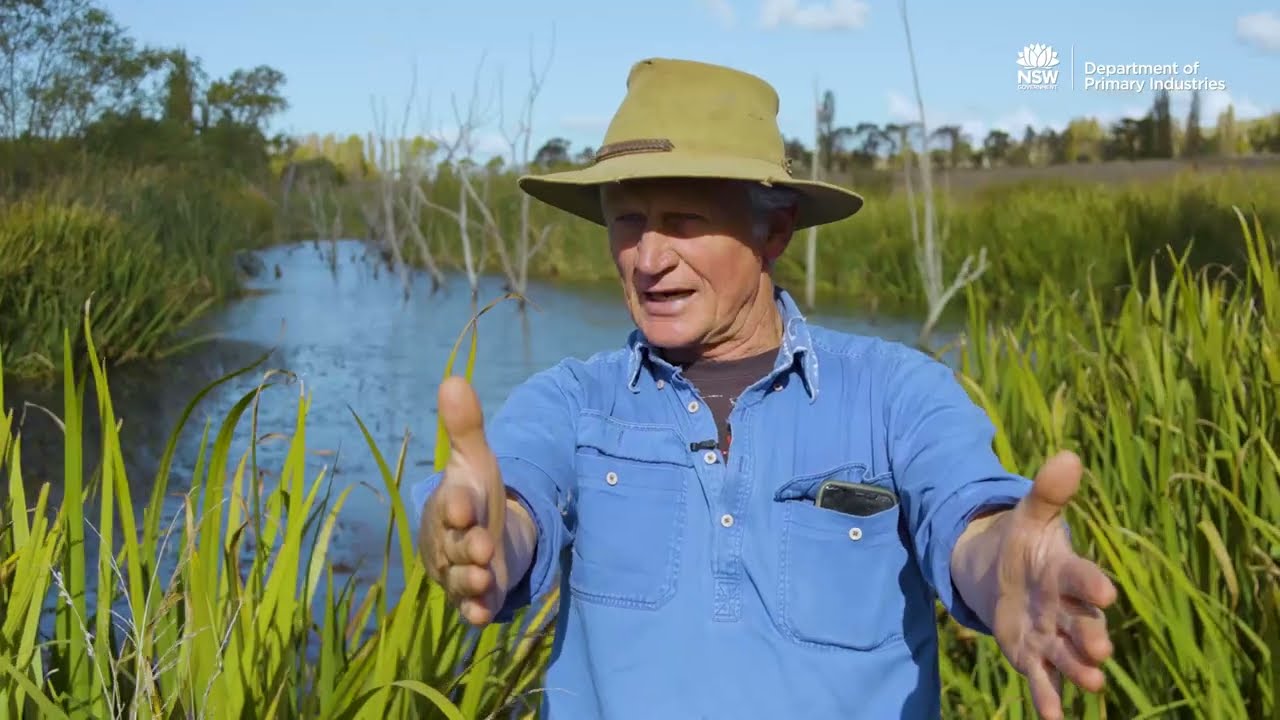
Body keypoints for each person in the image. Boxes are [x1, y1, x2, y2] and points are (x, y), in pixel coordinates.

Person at [410, 57, 1117, 720]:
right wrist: (476, 534)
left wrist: (1006, 568)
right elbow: (508, 506)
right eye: (627, 219)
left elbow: (971, 524)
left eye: (683, 220)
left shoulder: (895, 394)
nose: (649, 258)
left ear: (772, 232)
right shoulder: (573, 401)